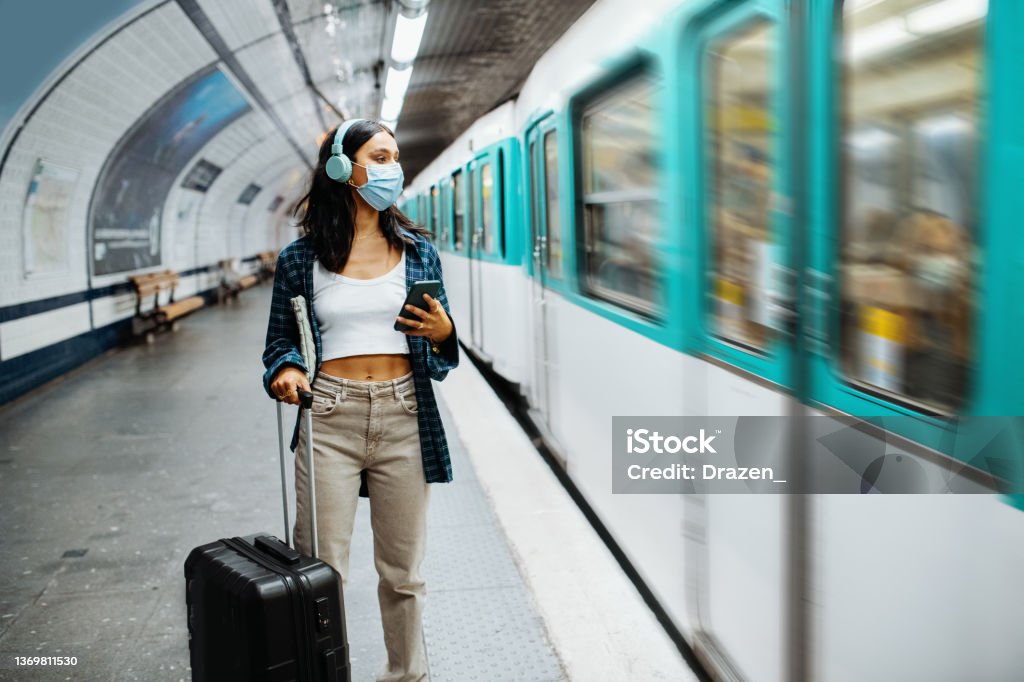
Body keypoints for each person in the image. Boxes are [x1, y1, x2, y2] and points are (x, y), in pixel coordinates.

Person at [261, 118, 459, 682]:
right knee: (322, 572)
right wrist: (288, 369)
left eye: (395, 156)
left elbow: (441, 346)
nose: (393, 167)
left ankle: (407, 676)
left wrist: (443, 331)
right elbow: (280, 341)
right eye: (380, 155)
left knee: (404, 574)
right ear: (344, 168)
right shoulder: (300, 260)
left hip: (404, 414)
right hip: (329, 418)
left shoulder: (419, 251)